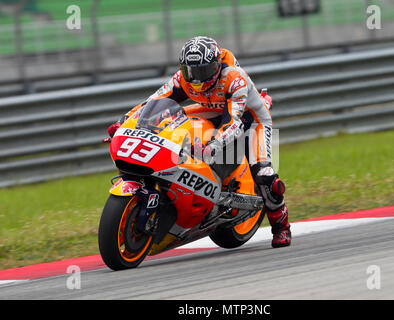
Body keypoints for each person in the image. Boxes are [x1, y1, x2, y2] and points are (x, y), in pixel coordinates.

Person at [108, 36, 291, 248]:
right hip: (211, 108)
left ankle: (281, 228)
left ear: (216, 66)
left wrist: (211, 146)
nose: (196, 79)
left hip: (250, 118)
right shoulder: (183, 79)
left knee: (264, 174)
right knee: (166, 118)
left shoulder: (234, 79)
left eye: (202, 71)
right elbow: (154, 101)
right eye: (190, 71)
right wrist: (123, 122)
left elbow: (232, 123)